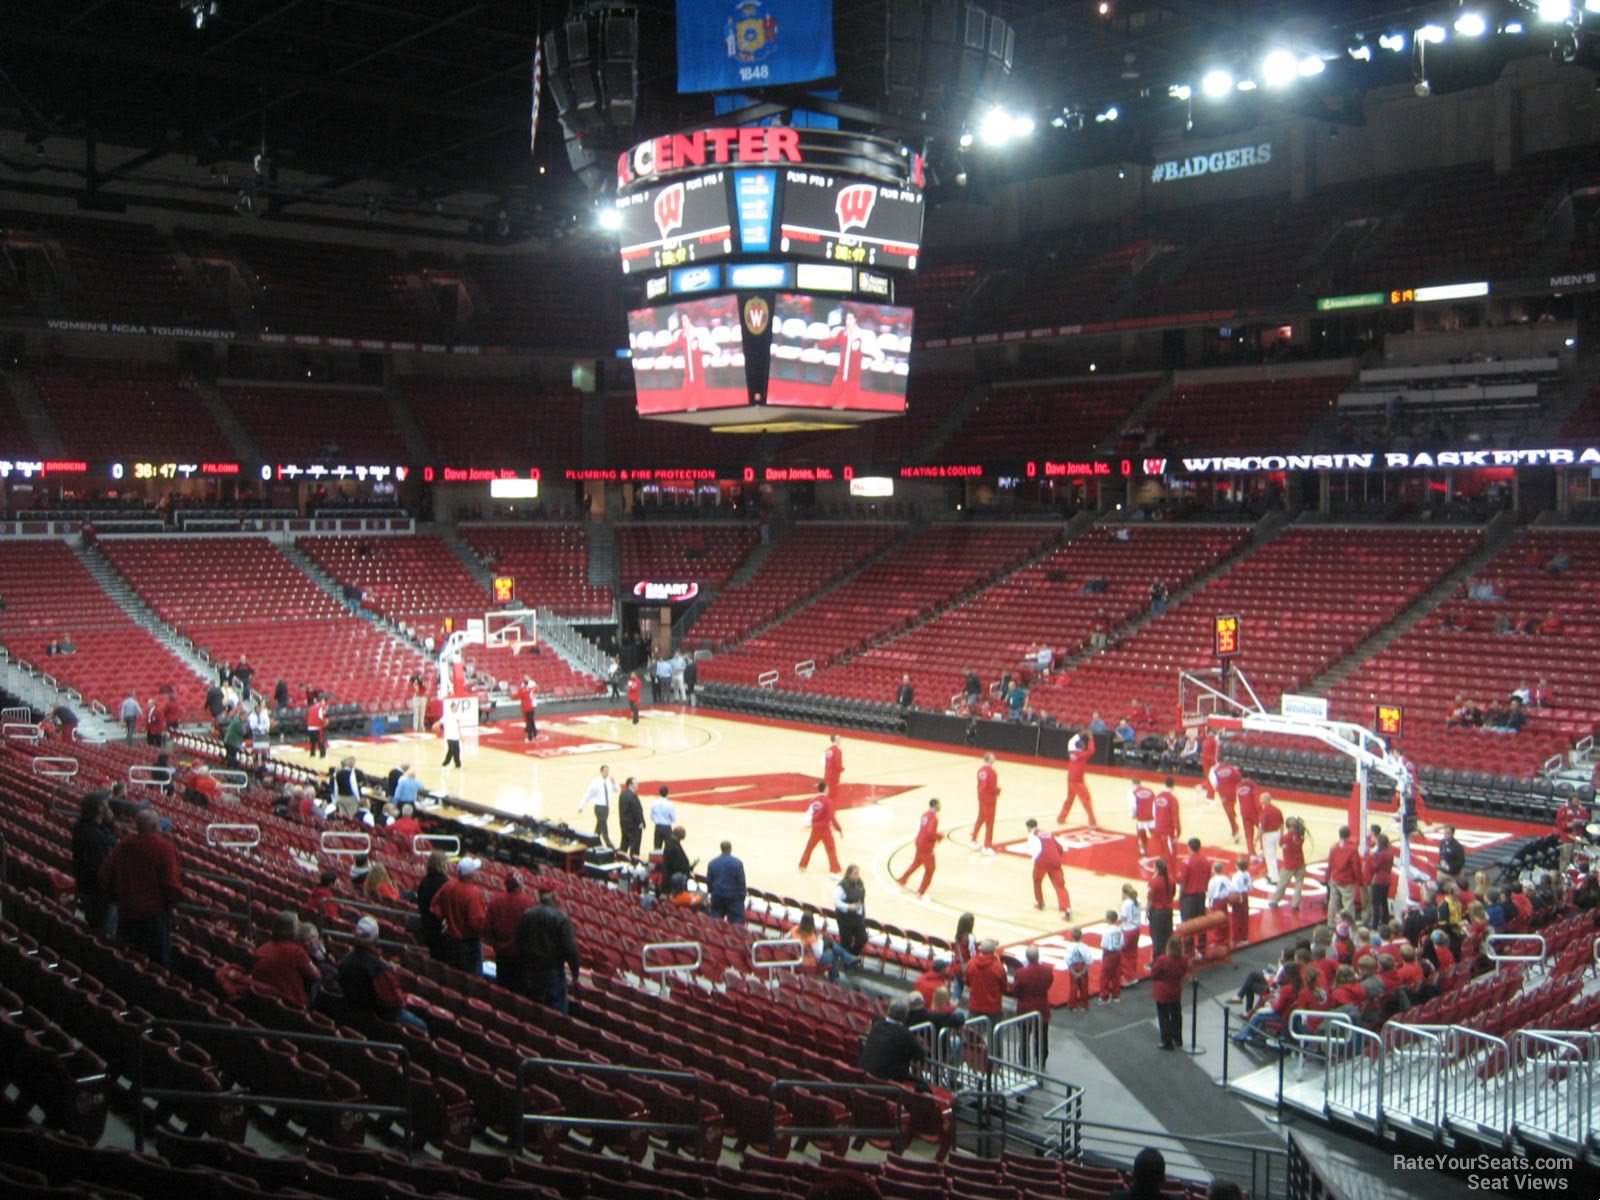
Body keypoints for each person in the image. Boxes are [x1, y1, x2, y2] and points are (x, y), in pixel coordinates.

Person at [98, 809, 184, 967]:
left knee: (128, 960)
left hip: (126, 913)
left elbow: (105, 874)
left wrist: (117, 898)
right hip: (154, 917)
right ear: (154, 827)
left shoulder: (125, 843)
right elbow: (171, 885)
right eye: (158, 824)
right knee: (157, 965)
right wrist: (173, 905)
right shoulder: (163, 848)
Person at [339, 917, 428, 1033]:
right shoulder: (378, 967)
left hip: (353, 1012)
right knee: (421, 1026)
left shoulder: (345, 960)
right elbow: (394, 1001)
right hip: (380, 1015)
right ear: (376, 937)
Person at [517, 879, 582, 1013]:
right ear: (553, 896)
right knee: (556, 1011)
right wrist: (575, 973)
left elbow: (520, 941)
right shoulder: (561, 918)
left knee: (534, 1008)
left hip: (530, 969)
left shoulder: (527, 914)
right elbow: (571, 950)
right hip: (552, 971)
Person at [72, 791, 119, 937]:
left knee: (94, 922)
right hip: (99, 892)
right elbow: (106, 858)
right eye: (106, 805)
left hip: (86, 885)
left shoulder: (81, 827)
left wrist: (110, 822)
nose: (109, 808)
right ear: (99, 809)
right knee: (103, 930)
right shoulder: (95, 836)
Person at [251, 910, 320, 1009]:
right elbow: (316, 975)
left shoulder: (261, 949)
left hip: (266, 1005)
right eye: (297, 924)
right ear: (289, 930)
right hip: (293, 1003)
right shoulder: (296, 951)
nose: (300, 927)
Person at [430, 856, 488, 973]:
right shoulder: (473, 893)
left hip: (450, 940)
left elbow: (434, 907)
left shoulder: (448, 885)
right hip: (468, 945)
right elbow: (475, 923)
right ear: (471, 874)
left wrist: (446, 920)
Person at [858, 1000, 928, 1086]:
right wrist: (922, 1045)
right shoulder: (905, 1034)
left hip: (865, 1074)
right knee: (923, 1086)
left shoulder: (877, 1024)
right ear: (905, 1016)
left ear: (888, 1011)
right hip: (887, 1080)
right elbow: (920, 1055)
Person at [486, 872, 536, 988]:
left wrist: (495, 944)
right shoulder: (528, 902)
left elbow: (487, 929)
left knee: (502, 988)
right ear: (520, 885)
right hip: (521, 956)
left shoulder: (495, 901)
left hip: (501, 954)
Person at [1013, 945, 1055, 1060]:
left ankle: (1024, 1063)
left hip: (1025, 1009)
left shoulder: (1021, 973)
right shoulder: (1047, 970)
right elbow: (1049, 984)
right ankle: (1041, 1062)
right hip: (1042, 1009)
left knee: (1024, 1039)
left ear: (1027, 957)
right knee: (1042, 1038)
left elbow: (1016, 991)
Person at [790, 911, 859, 982]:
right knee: (834, 953)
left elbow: (786, 940)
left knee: (832, 947)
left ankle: (845, 964)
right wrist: (819, 940)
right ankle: (835, 977)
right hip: (810, 961)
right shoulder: (811, 936)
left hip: (799, 956)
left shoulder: (794, 929)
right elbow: (818, 955)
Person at [1024, 818, 1071, 916]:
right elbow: (1060, 848)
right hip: (1055, 861)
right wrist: (1056, 859)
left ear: (1028, 827)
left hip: (1042, 861)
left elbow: (1036, 850)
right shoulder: (1049, 834)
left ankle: (1040, 903)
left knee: (1037, 881)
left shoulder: (1032, 835)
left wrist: (1035, 861)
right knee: (1060, 886)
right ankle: (1067, 908)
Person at [897, 798, 941, 898]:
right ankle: (921, 891)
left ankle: (903, 879)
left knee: (917, 863)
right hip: (926, 846)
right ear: (935, 805)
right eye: (939, 804)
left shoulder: (925, 814)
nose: (940, 806)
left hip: (919, 841)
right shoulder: (934, 817)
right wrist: (939, 836)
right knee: (930, 869)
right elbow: (930, 832)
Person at [800, 781, 843, 873]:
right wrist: (838, 828)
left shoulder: (814, 800)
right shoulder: (828, 801)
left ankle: (802, 866)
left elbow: (810, 813)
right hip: (825, 830)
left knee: (809, 848)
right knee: (831, 849)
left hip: (815, 829)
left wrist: (807, 824)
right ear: (825, 789)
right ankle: (835, 869)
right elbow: (832, 817)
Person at [1151, 943, 1188, 1051]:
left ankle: (1167, 1042)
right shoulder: (1184, 959)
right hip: (1176, 991)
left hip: (1163, 993)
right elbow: (1183, 972)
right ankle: (1178, 1039)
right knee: (1176, 1015)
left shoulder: (1163, 960)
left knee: (1164, 1017)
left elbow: (1154, 974)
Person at [1269, 816, 1309, 911]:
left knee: (1282, 883)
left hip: (1289, 864)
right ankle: (1295, 904)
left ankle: (1275, 901)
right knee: (1299, 884)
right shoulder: (1300, 836)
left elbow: (1280, 844)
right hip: (1300, 862)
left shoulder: (1285, 838)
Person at [1178, 837, 1211, 953]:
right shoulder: (1206, 861)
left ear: (1189, 847)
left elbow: (1183, 882)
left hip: (1189, 897)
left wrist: (1180, 897)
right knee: (1201, 922)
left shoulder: (1187, 862)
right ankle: (1202, 948)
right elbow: (1208, 877)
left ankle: (1189, 949)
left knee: (1188, 923)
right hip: (1201, 895)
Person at [964, 938, 1009, 1019]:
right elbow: (1004, 987)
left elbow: (967, 981)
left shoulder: (971, 963)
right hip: (993, 1008)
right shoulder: (998, 967)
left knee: (973, 1030)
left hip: (975, 1005)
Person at [1058, 735, 1098, 825]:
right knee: (1086, 799)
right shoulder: (1082, 755)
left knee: (1069, 799)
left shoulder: (1072, 752)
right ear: (1081, 746)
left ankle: (1061, 818)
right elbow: (1091, 751)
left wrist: (1078, 735)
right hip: (1077, 780)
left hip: (1071, 778)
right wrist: (1091, 738)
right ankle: (1092, 821)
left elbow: (1071, 741)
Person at [1326, 826, 1362, 926]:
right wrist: (1360, 881)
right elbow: (1356, 867)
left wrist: (1328, 877)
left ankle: (1331, 923)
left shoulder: (1334, 846)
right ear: (1349, 835)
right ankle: (1348, 925)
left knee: (1333, 901)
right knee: (1348, 904)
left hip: (1335, 878)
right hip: (1347, 880)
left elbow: (1330, 863)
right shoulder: (1352, 849)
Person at [705, 840, 747, 923]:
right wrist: (742, 895)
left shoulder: (712, 862)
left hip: (718, 895)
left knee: (715, 922)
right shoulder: (737, 863)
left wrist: (712, 891)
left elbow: (709, 880)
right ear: (730, 849)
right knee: (736, 924)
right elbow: (741, 881)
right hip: (734, 897)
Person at [579, 765, 618, 849]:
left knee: (599, 826)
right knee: (603, 825)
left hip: (606, 808)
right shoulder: (596, 782)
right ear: (601, 772)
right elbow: (588, 794)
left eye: (607, 771)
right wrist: (582, 805)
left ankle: (592, 842)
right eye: (605, 771)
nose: (606, 773)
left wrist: (614, 783)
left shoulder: (610, 781)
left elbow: (617, 790)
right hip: (599, 808)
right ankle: (609, 845)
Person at [834, 864, 868, 956]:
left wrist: (862, 913)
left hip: (858, 918)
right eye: (855, 873)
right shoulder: (841, 886)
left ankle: (852, 956)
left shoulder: (860, 884)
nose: (857, 875)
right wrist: (849, 907)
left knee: (862, 938)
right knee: (846, 942)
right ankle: (846, 962)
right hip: (845, 919)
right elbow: (836, 902)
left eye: (858, 873)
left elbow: (861, 900)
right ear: (849, 874)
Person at [971, 752, 1000, 853]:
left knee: (981, 818)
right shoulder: (992, 772)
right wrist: (997, 791)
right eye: (993, 757)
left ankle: (973, 839)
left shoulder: (981, 770)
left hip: (981, 798)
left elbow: (980, 785)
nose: (995, 758)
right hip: (989, 799)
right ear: (989, 759)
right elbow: (992, 787)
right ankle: (987, 846)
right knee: (989, 823)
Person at [1147, 858, 1175, 962]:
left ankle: (1157, 961)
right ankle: (1168, 958)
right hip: (1168, 911)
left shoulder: (1154, 882)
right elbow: (1172, 894)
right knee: (1167, 936)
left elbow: (1150, 899)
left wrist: (1147, 911)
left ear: (1156, 868)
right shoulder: (1171, 880)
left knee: (1157, 938)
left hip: (1157, 913)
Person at [1557, 789, 1592, 870]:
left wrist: (1582, 809)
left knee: (1577, 859)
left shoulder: (1580, 809)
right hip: (1567, 838)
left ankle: (1575, 874)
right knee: (1565, 859)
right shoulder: (1563, 809)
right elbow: (1560, 824)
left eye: (1578, 801)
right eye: (1575, 801)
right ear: (1570, 801)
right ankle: (1562, 875)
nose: (1577, 802)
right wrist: (1570, 824)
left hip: (1578, 838)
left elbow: (1587, 818)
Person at [1365, 833, 1396, 924]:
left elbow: (1375, 866)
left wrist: (1371, 856)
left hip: (1379, 880)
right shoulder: (1389, 852)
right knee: (1383, 901)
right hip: (1387, 880)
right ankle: (1385, 920)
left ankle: (1375, 924)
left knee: (1376, 903)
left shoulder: (1382, 854)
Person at [1152, 777, 1181, 866]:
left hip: (1157, 828)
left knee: (1161, 851)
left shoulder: (1157, 796)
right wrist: (1178, 831)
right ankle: (1171, 873)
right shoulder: (1172, 799)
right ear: (1173, 786)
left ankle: (1161, 868)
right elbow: (1175, 816)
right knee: (1170, 854)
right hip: (1168, 831)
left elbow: (1153, 813)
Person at [1118, 883, 1143, 986]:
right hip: (1136, 929)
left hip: (1127, 930)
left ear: (1124, 892)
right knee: (1132, 953)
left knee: (1120, 953)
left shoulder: (1126, 903)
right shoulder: (1138, 900)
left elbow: (1123, 918)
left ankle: (1129, 977)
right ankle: (1132, 974)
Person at [1257, 792, 1284, 884]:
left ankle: (1274, 879)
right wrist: (1281, 835)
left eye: (1261, 799)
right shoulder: (1277, 810)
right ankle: (1271, 874)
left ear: (1266, 800)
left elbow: (1262, 827)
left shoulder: (1265, 812)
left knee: (1270, 857)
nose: (1260, 800)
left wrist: (1257, 838)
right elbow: (1281, 824)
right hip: (1276, 833)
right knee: (1272, 855)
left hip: (1268, 835)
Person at [661, 824, 695, 894]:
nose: (685, 835)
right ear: (679, 834)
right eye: (684, 833)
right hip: (675, 878)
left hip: (673, 875)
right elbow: (677, 865)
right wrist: (688, 868)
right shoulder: (673, 845)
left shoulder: (672, 843)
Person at [1100, 910, 1124, 1003]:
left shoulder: (1107, 931)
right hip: (1117, 953)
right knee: (1115, 975)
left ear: (1109, 919)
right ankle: (1115, 995)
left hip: (1109, 954)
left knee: (1104, 976)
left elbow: (1103, 945)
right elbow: (1122, 942)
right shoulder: (1119, 929)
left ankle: (1104, 997)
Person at [618, 775, 645, 859]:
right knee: (635, 846)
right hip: (633, 826)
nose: (638, 785)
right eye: (636, 783)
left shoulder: (622, 794)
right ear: (630, 784)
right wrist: (641, 822)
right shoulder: (632, 796)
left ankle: (621, 859)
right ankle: (634, 863)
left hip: (624, 823)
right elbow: (636, 811)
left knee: (624, 843)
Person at [1129, 777, 1156, 856]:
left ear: (1133, 784)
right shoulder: (1150, 790)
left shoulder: (1132, 792)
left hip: (1141, 817)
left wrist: (1132, 815)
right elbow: (1154, 803)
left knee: (1141, 834)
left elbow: (1133, 806)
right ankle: (1162, 850)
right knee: (1154, 834)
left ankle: (1143, 850)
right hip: (1151, 816)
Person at [1235, 774, 1261, 857]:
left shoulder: (1238, 786)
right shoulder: (1252, 785)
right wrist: (1261, 812)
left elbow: (1240, 800)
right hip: (1254, 812)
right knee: (1262, 831)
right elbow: (1257, 801)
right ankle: (1263, 849)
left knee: (1249, 835)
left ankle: (1252, 854)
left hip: (1244, 812)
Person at [649, 784, 676, 851]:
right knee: (669, 846)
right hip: (667, 827)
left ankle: (657, 860)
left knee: (657, 846)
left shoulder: (654, 803)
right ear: (667, 793)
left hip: (658, 826)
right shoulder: (670, 804)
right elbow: (673, 818)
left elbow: (652, 817)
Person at [440, 703, 462, 768]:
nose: (456, 708)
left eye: (456, 707)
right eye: (455, 707)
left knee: (457, 750)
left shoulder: (457, 715)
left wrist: (460, 735)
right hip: (449, 736)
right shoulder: (447, 715)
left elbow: (458, 726)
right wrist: (436, 724)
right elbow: (441, 721)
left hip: (456, 736)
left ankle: (458, 764)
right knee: (451, 750)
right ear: (452, 707)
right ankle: (445, 762)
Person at [306, 693, 328, 759]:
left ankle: (312, 754)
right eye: (324, 701)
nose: (325, 702)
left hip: (310, 727)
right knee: (320, 741)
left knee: (313, 742)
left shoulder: (311, 707)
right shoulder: (322, 707)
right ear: (322, 700)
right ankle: (322, 755)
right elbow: (321, 717)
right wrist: (325, 722)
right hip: (317, 726)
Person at [517, 676, 539, 741]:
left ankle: (530, 735)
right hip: (530, 706)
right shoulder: (530, 689)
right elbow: (535, 692)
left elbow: (519, 696)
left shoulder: (522, 690)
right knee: (531, 720)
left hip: (526, 706)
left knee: (529, 721)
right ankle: (534, 733)